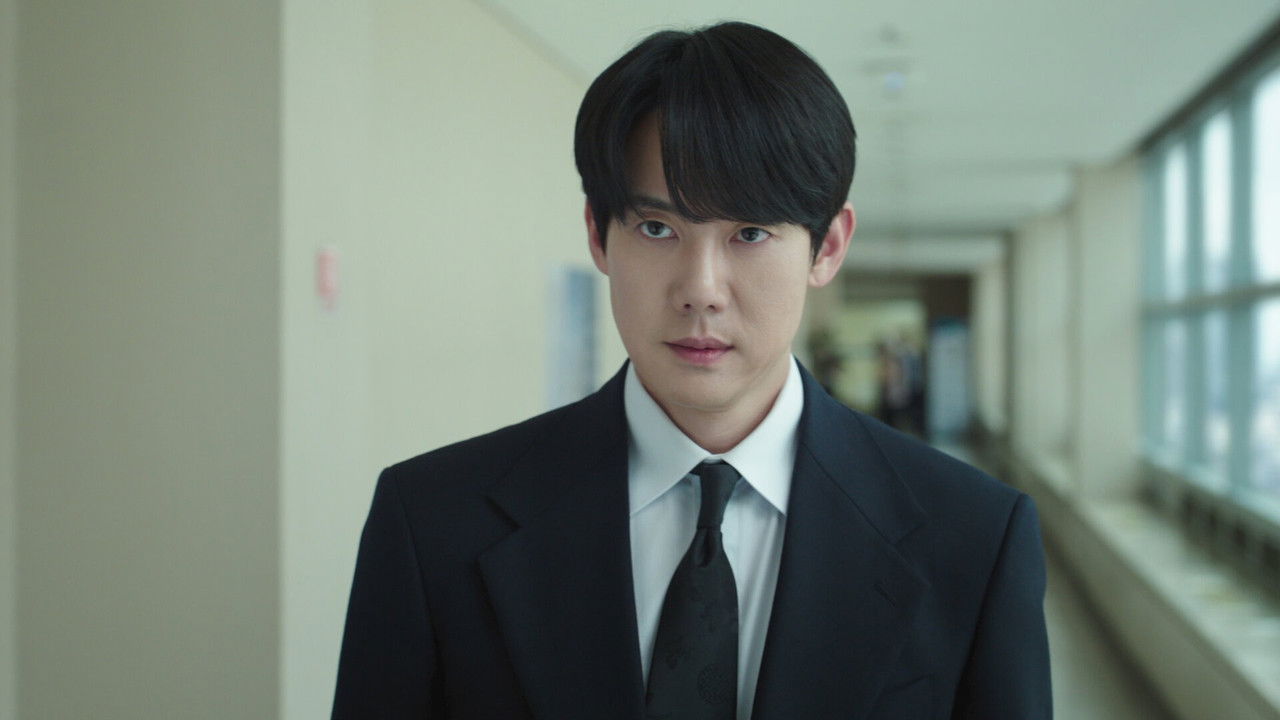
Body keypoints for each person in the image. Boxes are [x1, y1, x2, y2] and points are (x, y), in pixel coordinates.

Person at [332, 21, 1051, 720]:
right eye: (657, 228)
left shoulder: (974, 539)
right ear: (598, 234)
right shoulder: (432, 523)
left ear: (827, 246)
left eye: (750, 232)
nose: (701, 289)